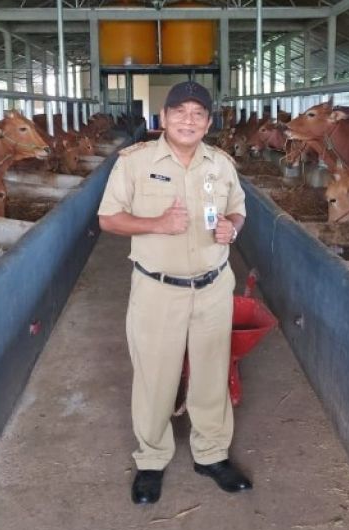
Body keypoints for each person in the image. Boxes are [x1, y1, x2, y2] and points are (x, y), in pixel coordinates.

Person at [98, 81, 252, 505]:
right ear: (163, 118)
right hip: (157, 289)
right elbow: (108, 219)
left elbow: (238, 209)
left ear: (208, 122)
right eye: (179, 112)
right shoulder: (135, 162)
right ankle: (151, 459)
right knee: (155, 376)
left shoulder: (221, 164)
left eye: (198, 113)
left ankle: (211, 454)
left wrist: (233, 227)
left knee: (212, 372)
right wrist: (156, 224)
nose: (188, 120)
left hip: (213, 285)